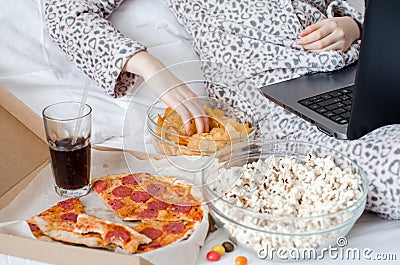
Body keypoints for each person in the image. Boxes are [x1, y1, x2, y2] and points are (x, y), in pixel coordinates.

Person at [43, 0, 400, 220]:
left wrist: (351, 25)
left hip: (362, 71)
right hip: (276, 104)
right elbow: (64, 11)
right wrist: (151, 69)